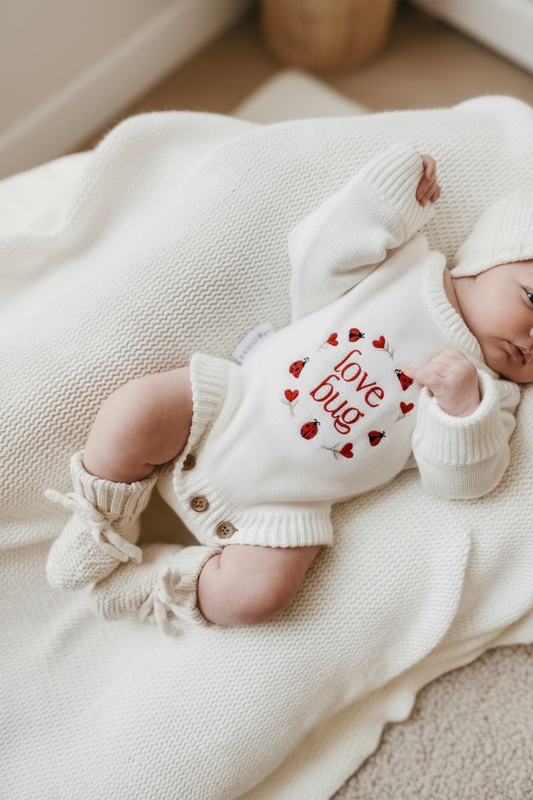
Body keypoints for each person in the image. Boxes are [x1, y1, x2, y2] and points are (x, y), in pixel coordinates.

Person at [45, 143, 531, 634]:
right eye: (532, 299)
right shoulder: (406, 267)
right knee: (135, 413)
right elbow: (319, 253)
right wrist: (388, 196)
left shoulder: (492, 397)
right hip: (227, 406)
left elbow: (464, 483)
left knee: (260, 596)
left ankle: (157, 583)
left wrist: (461, 413)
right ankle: (101, 521)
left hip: (289, 505)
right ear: (492, 255)